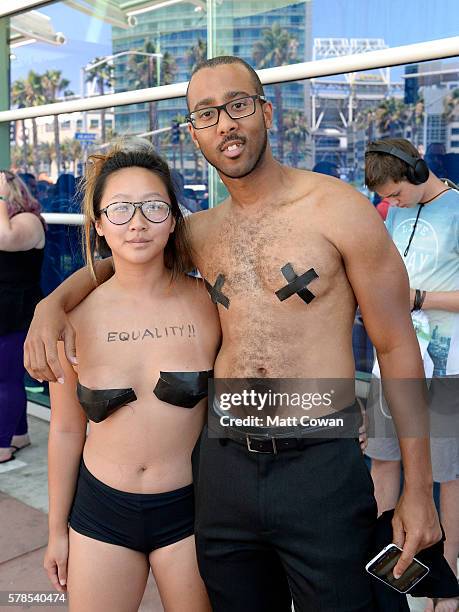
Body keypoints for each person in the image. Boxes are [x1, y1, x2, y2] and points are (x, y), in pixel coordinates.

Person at [26, 57, 441, 611]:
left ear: (265, 112)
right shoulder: (199, 233)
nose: (225, 123)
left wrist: (417, 487)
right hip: (223, 474)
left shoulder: (340, 211)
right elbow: (127, 255)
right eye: (206, 114)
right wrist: (52, 304)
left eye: (238, 105)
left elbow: (396, 348)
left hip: (319, 464)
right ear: (194, 131)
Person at [44, 141, 220, 611]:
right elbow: (64, 430)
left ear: (174, 218)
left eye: (154, 207)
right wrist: (56, 531)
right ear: (99, 224)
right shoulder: (72, 318)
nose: (137, 222)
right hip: (101, 510)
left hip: (190, 509)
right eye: (120, 209)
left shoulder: (210, 307)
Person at [364, 138, 459, 612]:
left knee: (445, 474)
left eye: (396, 194)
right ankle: (382, 561)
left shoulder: (458, 210)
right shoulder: (395, 212)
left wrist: (420, 300)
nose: (392, 204)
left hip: (444, 365)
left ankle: (448, 577)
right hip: (393, 361)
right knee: (382, 459)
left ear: (419, 173)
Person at [0, 170, 45, 464]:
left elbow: (5, 238)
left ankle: (3, 445)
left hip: (17, 312)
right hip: (7, 312)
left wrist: (1, 196)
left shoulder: (27, 221)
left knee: (6, 380)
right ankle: (19, 435)